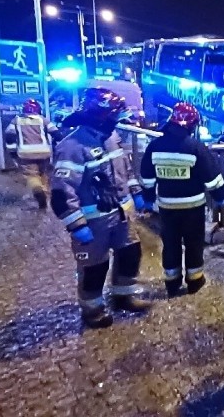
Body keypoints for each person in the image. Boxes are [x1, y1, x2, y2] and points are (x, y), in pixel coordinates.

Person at [50, 87, 151, 328]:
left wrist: (136, 193)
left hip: (122, 216)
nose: (118, 120)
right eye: (114, 115)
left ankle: (123, 295)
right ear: (100, 116)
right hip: (93, 223)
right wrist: (76, 225)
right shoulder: (72, 146)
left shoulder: (111, 137)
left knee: (130, 254)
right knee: (94, 267)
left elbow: (125, 171)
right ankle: (92, 308)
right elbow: (62, 193)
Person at [140, 102, 224, 297]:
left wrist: (147, 198)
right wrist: (220, 198)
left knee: (170, 244)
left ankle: (172, 282)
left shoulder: (155, 146)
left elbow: (146, 178)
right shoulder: (195, 147)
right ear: (191, 125)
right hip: (192, 208)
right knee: (194, 243)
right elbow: (212, 178)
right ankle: (195, 281)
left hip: (166, 208)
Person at [4, 99, 61, 208]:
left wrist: (13, 153)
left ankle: (38, 191)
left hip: (26, 154)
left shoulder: (16, 121)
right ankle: (45, 192)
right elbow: (56, 133)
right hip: (44, 153)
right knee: (44, 174)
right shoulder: (43, 120)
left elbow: (9, 136)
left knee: (31, 175)